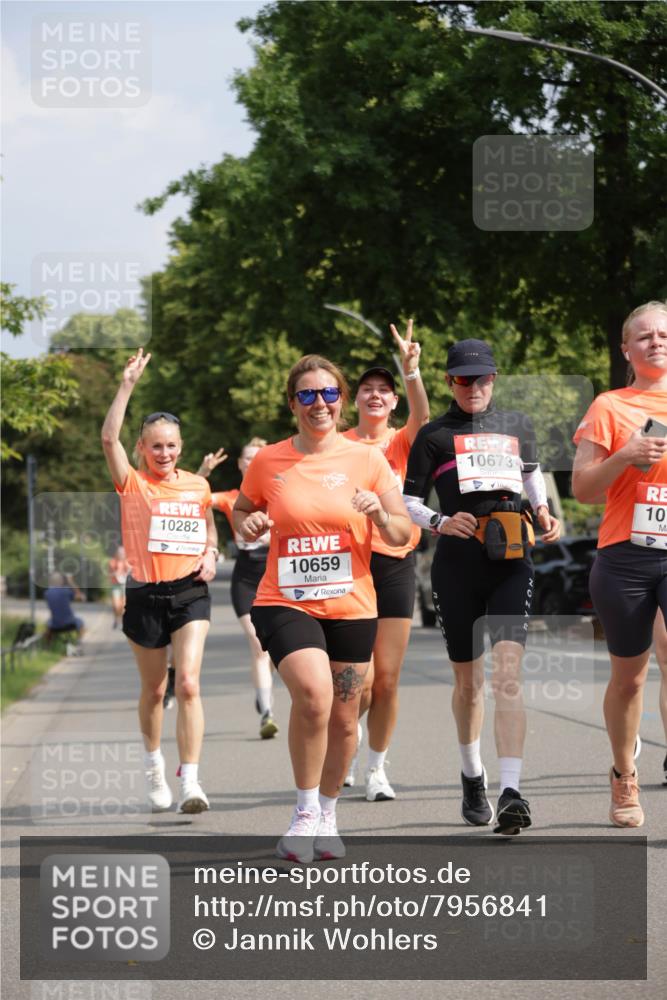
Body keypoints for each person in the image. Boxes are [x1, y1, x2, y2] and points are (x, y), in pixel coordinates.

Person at [233, 354, 411, 862]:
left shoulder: (369, 460)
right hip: (284, 600)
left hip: (353, 603)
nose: (319, 403)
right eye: (307, 394)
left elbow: (403, 532)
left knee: (345, 718)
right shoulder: (269, 460)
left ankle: (329, 813)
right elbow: (245, 509)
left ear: (342, 400)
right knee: (314, 696)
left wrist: (379, 513)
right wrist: (246, 524)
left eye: (329, 393)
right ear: (293, 403)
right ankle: (305, 812)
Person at [403, 339, 561, 835]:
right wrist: (438, 521)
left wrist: (541, 509)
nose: (475, 388)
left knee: (508, 676)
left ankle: (511, 791)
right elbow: (406, 500)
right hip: (457, 566)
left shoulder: (518, 426)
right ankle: (473, 774)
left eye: (483, 378)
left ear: (494, 379)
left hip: (512, 557)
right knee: (469, 684)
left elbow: (532, 477)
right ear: (449, 381)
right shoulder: (433, 435)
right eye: (464, 379)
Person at [101, 348, 219, 815]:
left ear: (181, 448)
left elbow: (207, 525)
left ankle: (190, 779)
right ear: (142, 450)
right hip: (145, 594)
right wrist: (127, 384)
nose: (164, 453)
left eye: (171, 446)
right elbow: (108, 439)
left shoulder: (197, 486)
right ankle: (155, 768)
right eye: (156, 446)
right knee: (154, 691)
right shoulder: (133, 484)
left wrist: (209, 551)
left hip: (190, 591)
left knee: (187, 683)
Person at [572, 301, 667, 827]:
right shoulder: (609, 406)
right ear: (626, 349)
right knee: (629, 679)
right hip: (625, 556)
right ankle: (623, 775)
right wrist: (625, 456)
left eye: (663, 334)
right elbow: (583, 489)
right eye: (644, 336)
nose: (656, 341)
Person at [342, 320, 429, 800]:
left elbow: (423, 416)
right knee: (362, 680)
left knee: (389, 679)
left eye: (384, 390)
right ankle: (345, 743)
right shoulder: (338, 445)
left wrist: (410, 371)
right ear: (355, 400)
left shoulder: (401, 441)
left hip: (395, 561)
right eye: (367, 390)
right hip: (350, 567)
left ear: (393, 402)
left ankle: (377, 768)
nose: (375, 396)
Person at [200, 439, 278, 739]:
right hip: (245, 578)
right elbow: (196, 495)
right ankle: (268, 713)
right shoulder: (232, 499)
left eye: (258, 457)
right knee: (259, 647)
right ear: (240, 464)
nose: (252, 462)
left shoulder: (279, 495)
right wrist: (203, 471)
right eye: (247, 458)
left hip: (276, 577)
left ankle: (264, 692)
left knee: (273, 650)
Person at [44, 572, 85, 649]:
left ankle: (47, 646)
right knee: (81, 623)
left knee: (47, 625)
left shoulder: (47, 593)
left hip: (54, 625)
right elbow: (79, 596)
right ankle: (79, 642)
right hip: (70, 623)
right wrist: (71, 581)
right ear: (61, 581)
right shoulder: (66, 591)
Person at [108, 545, 130, 629]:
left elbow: (129, 572)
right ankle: (116, 618)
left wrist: (126, 571)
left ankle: (120, 620)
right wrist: (116, 571)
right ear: (117, 553)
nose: (121, 554)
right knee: (116, 605)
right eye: (120, 552)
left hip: (124, 585)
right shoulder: (112, 562)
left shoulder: (126, 562)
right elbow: (110, 574)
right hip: (115, 585)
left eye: (123, 553)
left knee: (123, 605)